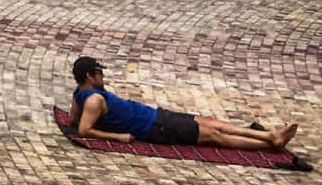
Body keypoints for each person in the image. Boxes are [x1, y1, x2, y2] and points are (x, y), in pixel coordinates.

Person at [70, 57, 299, 152]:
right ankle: (271, 142)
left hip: (154, 115)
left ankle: (269, 135)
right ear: (90, 76)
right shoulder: (94, 100)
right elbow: (83, 130)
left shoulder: (82, 93)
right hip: (154, 128)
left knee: (210, 122)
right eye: (99, 73)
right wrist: (118, 137)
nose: (103, 76)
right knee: (213, 135)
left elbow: (72, 120)